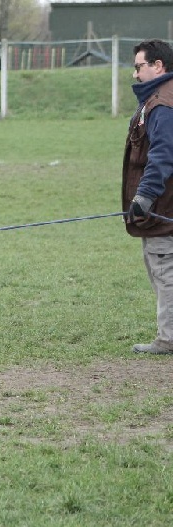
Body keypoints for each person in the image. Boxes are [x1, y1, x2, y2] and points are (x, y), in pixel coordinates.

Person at [123, 39, 173, 355]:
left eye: (140, 66)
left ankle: (168, 339)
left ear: (158, 66)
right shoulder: (160, 99)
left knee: (163, 267)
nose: (136, 72)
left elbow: (163, 154)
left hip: (164, 207)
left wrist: (144, 196)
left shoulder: (163, 105)